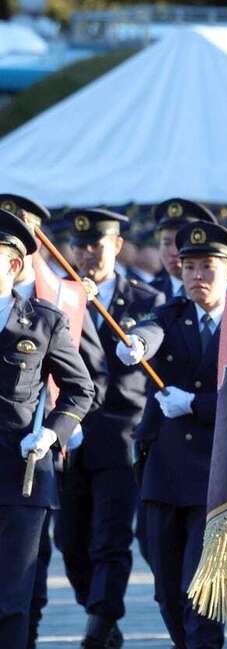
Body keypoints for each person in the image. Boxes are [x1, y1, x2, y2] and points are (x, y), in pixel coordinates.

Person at [116, 221, 227, 649]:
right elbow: (152, 330)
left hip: (216, 480)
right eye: (189, 267)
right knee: (167, 590)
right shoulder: (173, 313)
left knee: (200, 591)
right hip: (165, 477)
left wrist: (195, 405)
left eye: (207, 267)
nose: (197, 276)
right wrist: (135, 343)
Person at [57, 208, 165, 648]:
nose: (86, 254)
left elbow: (147, 347)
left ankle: (101, 621)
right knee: (69, 540)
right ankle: (96, 608)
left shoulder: (143, 299)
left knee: (110, 537)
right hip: (70, 432)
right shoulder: (60, 299)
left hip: (120, 433)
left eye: (96, 244)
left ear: (117, 245)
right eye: (80, 246)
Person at [0, 208, 95, 649]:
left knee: (11, 600)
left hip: (19, 476)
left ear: (14, 265)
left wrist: (52, 432)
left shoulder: (43, 320)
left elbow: (80, 390)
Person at [148, 199, 217, 300]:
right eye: (167, 243)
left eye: (181, 243)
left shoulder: (224, 296)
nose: (174, 252)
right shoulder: (147, 296)